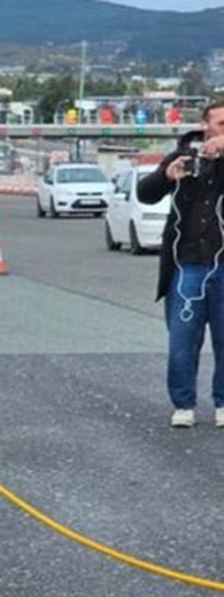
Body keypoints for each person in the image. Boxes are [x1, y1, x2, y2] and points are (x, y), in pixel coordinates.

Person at [139, 99, 224, 428]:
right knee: (182, 340)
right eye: (221, 124)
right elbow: (146, 193)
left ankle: (222, 402)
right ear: (205, 125)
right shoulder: (182, 156)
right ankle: (183, 403)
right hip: (186, 262)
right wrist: (166, 175)